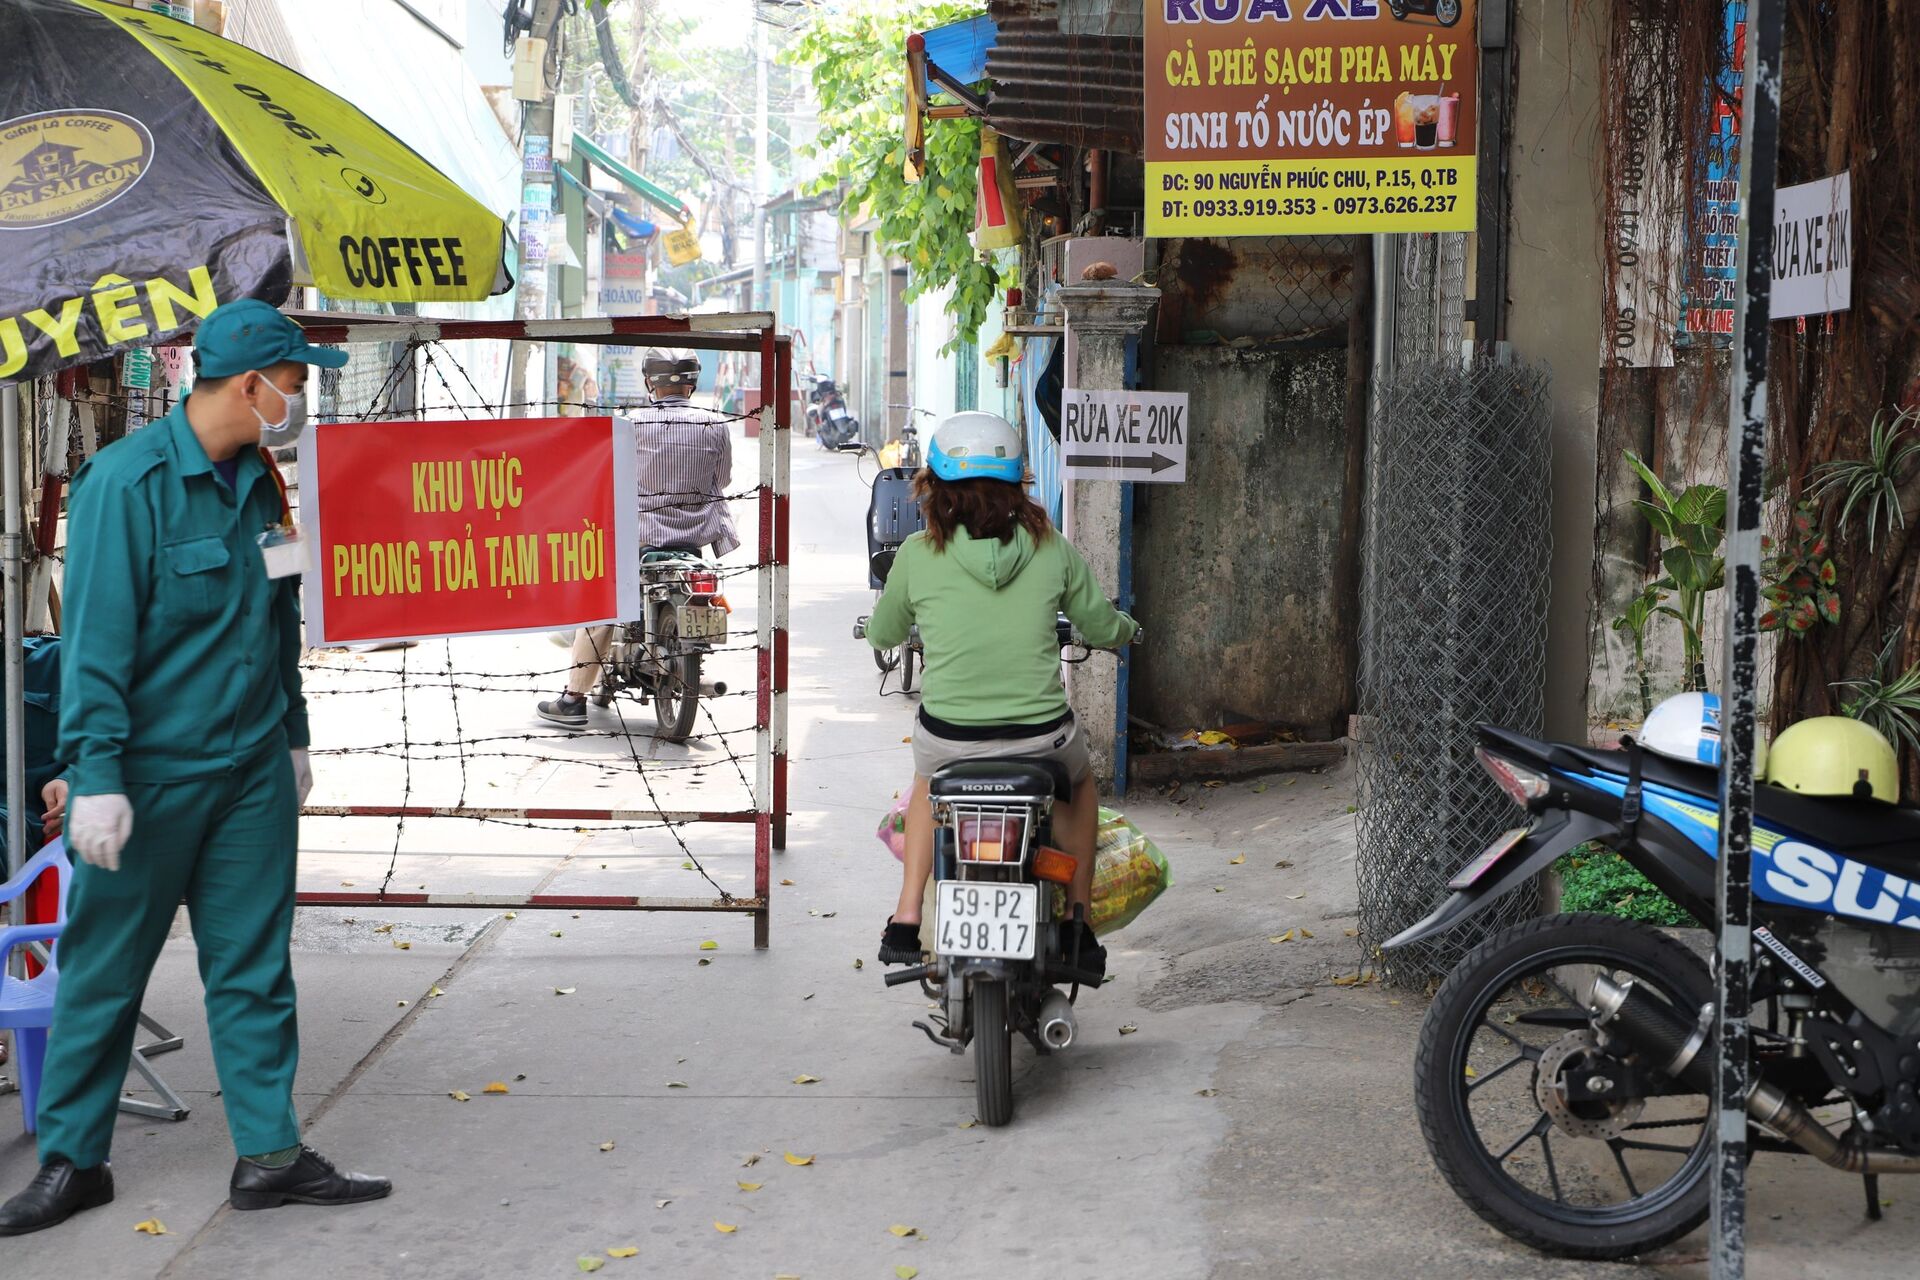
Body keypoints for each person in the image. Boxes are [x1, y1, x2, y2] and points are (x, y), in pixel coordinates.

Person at [0, 300, 390, 1236]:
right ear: (250, 385)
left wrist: (292, 734)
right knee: (103, 973)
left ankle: (271, 1154)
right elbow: (95, 641)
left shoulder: (256, 478)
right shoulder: (123, 485)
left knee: (254, 970)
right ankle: (73, 1161)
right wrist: (92, 770)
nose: (301, 398)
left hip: (250, 771)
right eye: (294, 382)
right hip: (149, 778)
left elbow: (275, 615)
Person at [863, 411, 1136, 977]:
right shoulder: (1051, 548)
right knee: (1080, 789)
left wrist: (883, 625)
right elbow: (1103, 626)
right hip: (1042, 740)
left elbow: (886, 633)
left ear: (933, 486)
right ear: (1017, 486)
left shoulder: (915, 554)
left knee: (923, 786)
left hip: (950, 740)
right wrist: (1127, 630)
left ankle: (907, 917)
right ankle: (1078, 924)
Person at [536, 353, 740, 728]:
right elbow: (722, 479)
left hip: (640, 538)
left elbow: (612, 477)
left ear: (650, 383)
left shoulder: (631, 424)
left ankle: (573, 699)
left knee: (602, 606)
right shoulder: (715, 424)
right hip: (694, 538)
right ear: (692, 383)